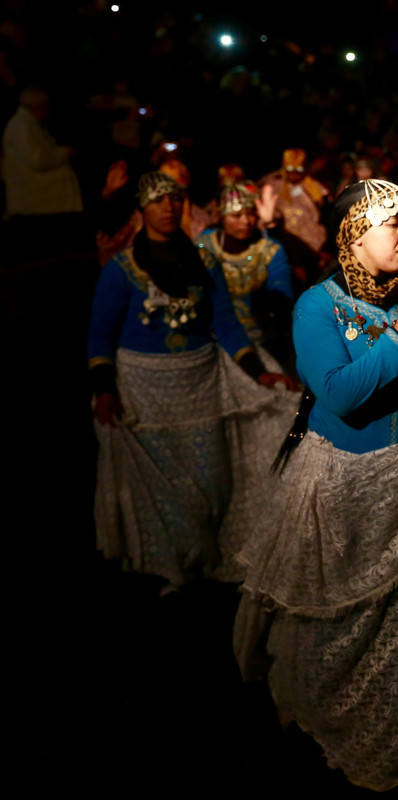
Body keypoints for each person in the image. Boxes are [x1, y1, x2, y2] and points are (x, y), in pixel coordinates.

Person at [234, 179, 398, 795]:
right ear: (352, 234)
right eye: (390, 224)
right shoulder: (317, 306)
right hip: (349, 484)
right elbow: (340, 393)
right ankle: (324, 712)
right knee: (347, 618)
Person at [88, 172, 294, 591]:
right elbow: (100, 335)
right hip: (145, 390)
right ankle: (174, 568)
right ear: (141, 210)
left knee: (209, 481)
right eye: (157, 201)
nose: (167, 208)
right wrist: (104, 387)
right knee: (165, 488)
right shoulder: (120, 271)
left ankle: (207, 555)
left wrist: (259, 372)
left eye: (174, 200)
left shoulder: (203, 263)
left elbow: (226, 325)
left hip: (200, 384)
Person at [195, 180, 294, 369]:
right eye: (237, 215)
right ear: (222, 216)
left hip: (262, 337)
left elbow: (282, 293)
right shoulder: (204, 246)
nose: (246, 222)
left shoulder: (269, 249)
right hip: (213, 337)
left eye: (250, 213)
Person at [2, 86, 82, 220]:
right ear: (41, 106)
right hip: (34, 203)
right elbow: (39, 160)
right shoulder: (22, 127)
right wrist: (64, 152)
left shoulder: (31, 125)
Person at [260, 148, 330, 282]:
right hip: (283, 241)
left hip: (312, 247)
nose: (293, 174)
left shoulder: (314, 187)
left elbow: (326, 214)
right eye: (289, 169)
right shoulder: (272, 183)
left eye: (297, 170)